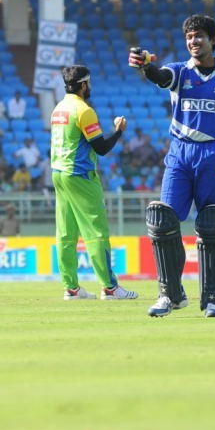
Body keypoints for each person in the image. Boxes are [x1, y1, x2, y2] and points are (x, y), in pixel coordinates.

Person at [128, 14, 215, 318]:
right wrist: (146, 66)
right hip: (180, 153)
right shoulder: (180, 71)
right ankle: (170, 295)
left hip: (214, 154)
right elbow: (160, 77)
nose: (193, 41)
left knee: (212, 224)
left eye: (199, 36)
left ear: (212, 40)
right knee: (162, 220)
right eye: (189, 37)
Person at [50, 64, 138, 301]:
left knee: (66, 233)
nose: (90, 87)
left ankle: (71, 288)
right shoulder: (84, 110)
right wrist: (118, 131)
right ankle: (110, 288)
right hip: (80, 175)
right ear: (83, 85)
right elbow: (101, 148)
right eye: (89, 83)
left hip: (58, 173)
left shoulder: (58, 109)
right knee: (96, 232)